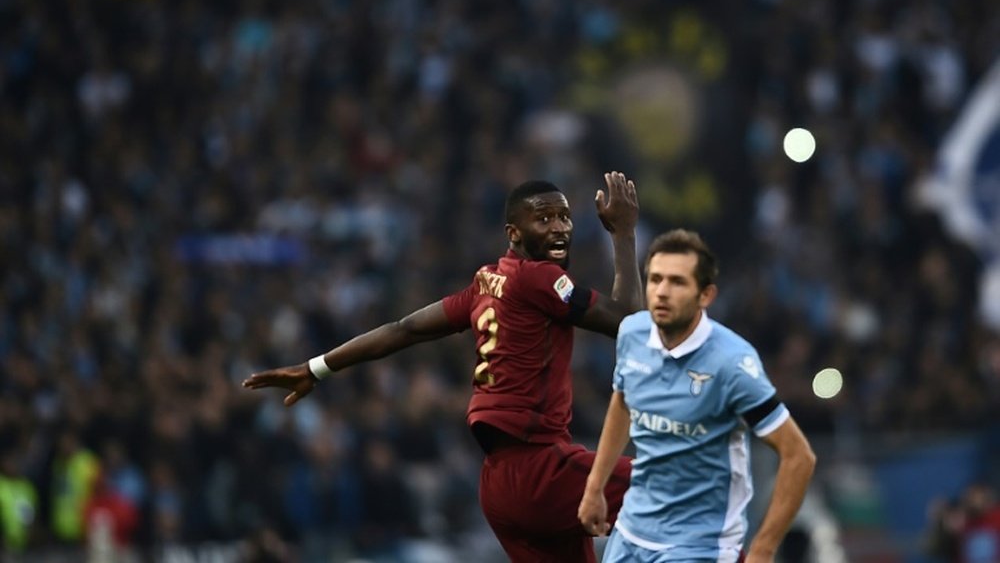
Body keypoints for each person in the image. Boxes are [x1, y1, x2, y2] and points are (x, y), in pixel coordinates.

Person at [243, 172, 643, 562]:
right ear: (513, 233)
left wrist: (315, 368)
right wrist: (623, 234)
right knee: (679, 486)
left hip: (500, 488)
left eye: (564, 217)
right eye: (544, 218)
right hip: (539, 471)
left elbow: (404, 330)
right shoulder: (539, 279)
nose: (559, 228)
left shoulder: (487, 282)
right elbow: (629, 319)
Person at [578, 229, 816, 563]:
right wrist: (594, 488)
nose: (661, 292)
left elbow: (799, 457)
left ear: (705, 295)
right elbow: (622, 402)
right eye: (655, 279)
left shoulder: (732, 363)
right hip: (630, 535)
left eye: (677, 282)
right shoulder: (633, 333)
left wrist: (762, 549)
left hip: (699, 547)